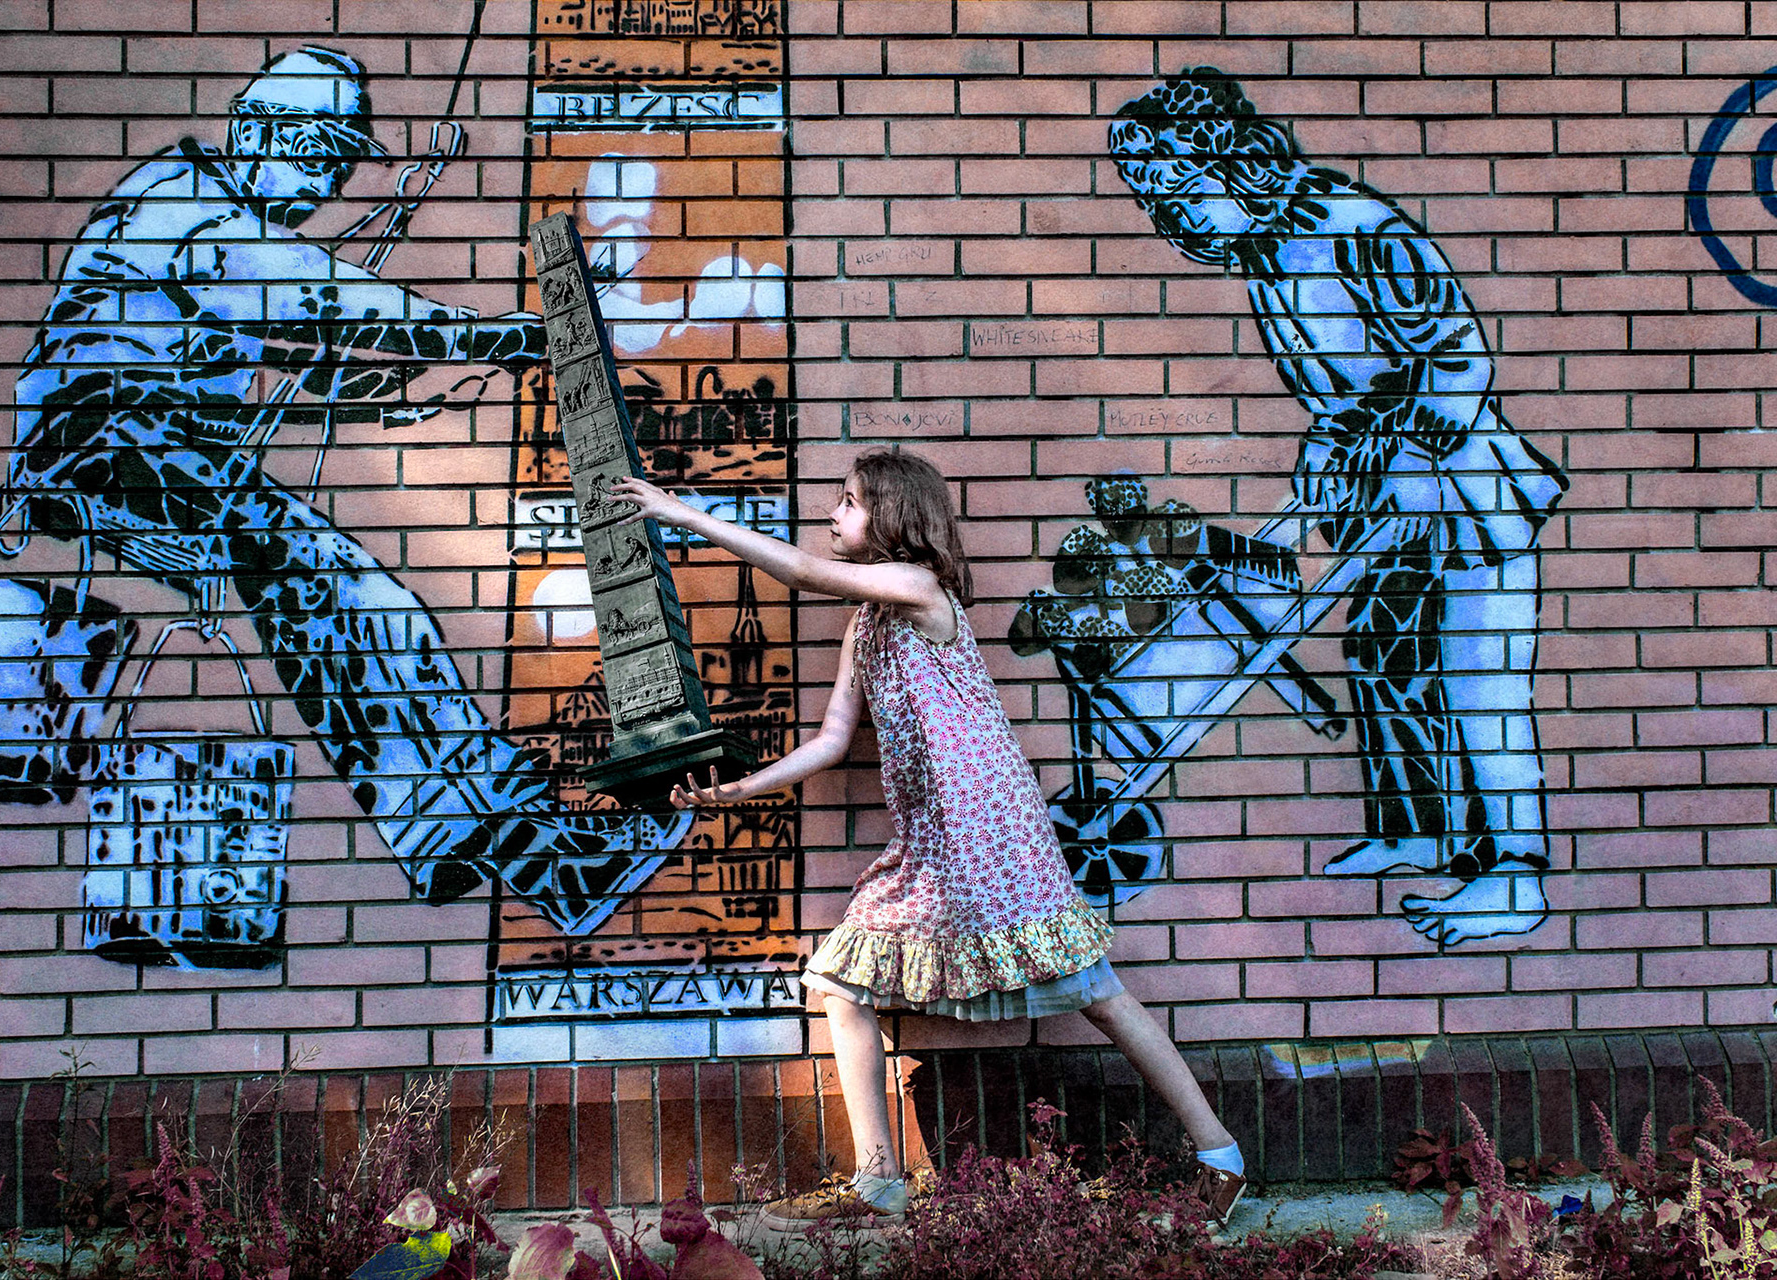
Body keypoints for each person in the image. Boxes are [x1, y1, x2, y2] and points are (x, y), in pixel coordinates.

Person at [0, 45, 682, 928]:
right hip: (103, 454)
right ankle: (516, 847)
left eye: (338, 168)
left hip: (156, 460)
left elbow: (294, 353)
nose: (328, 187)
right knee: (339, 590)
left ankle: (512, 847)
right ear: (260, 132)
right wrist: (484, 337)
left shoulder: (218, 228)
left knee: (368, 610)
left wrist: (411, 385)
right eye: (320, 160)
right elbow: (322, 299)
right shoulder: (183, 205)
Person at [611, 449, 1247, 1228]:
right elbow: (833, 739)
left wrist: (683, 515)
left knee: (1093, 989)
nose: (833, 514)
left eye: (850, 502)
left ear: (896, 516)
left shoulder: (919, 588)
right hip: (931, 838)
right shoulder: (865, 623)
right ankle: (878, 1182)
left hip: (990, 827)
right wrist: (738, 790)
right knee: (842, 982)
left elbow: (802, 572)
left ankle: (1220, 1155)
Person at [1108, 68, 1568, 946]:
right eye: (1157, 204)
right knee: (1382, 655)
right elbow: (1341, 396)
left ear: (1236, 164)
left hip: (1466, 493)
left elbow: (1459, 360)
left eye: (1184, 193)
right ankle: (1417, 830)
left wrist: (1383, 440)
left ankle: (1514, 876)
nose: (1176, 220)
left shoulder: (1357, 230)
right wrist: (1332, 448)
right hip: (1388, 498)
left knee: (1480, 678)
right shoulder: (1266, 255)